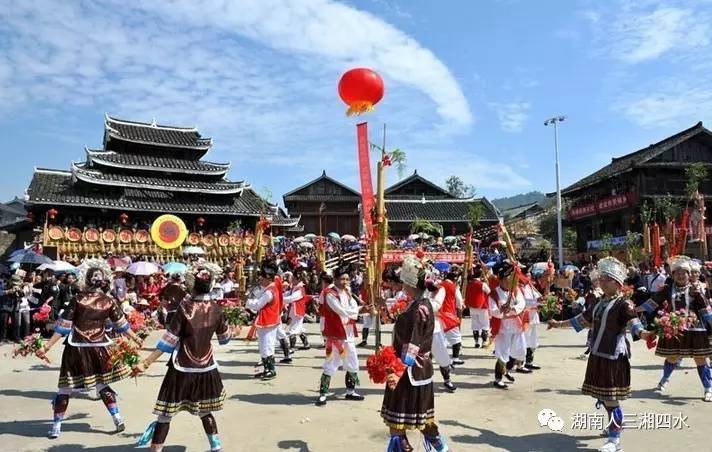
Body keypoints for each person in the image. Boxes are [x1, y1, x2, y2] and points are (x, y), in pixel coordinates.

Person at [548, 257, 651, 452]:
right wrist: (558, 323)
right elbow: (583, 320)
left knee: (611, 398)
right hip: (598, 353)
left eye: (607, 279)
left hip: (613, 355)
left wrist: (644, 334)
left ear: (618, 283)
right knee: (604, 397)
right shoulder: (599, 303)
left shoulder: (624, 304)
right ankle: (615, 427)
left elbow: (633, 323)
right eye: (601, 278)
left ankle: (615, 440)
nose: (602, 281)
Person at [36, 262, 142, 439]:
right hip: (100, 348)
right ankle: (117, 418)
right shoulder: (108, 301)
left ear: (86, 280)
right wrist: (136, 338)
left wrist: (46, 346)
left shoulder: (78, 299)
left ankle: (56, 427)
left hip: (76, 348)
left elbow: (63, 327)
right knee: (101, 384)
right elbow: (122, 325)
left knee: (65, 389)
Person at [134, 265, 231, 452]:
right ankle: (216, 446)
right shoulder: (216, 308)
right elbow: (225, 339)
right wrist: (231, 330)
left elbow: (168, 341)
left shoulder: (185, 308)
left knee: (165, 414)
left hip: (182, 367)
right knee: (204, 410)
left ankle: (156, 449)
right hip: (206, 367)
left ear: (192, 285)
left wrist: (146, 362)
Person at [382, 256, 450, 452]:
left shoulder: (417, 309)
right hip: (421, 372)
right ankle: (442, 449)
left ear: (408, 284)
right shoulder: (423, 304)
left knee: (397, 425)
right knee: (424, 421)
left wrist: (396, 370)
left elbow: (412, 345)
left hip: (408, 372)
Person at [637, 255, 712, 401]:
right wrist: (636, 309)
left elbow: (705, 309)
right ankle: (663, 381)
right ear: (673, 275)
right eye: (677, 273)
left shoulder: (695, 290)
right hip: (674, 327)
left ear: (689, 275)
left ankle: (708, 388)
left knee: (700, 359)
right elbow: (653, 302)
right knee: (672, 357)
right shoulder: (667, 289)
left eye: (684, 272)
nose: (680, 275)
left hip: (695, 329)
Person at [316, 263, 365, 406]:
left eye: (347, 279)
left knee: (352, 361)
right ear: (335, 279)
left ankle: (350, 391)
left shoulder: (348, 291)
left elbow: (352, 306)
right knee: (331, 363)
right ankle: (323, 394)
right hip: (335, 333)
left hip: (348, 332)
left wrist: (360, 308)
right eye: (342, 279)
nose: (345, 282)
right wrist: (361, 311)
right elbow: (341, 310)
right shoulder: (329, 293)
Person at [489, 260, 531, 390]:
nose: (510, 282)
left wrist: (512, 308)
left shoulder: (515, 290)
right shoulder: (494, 294)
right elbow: (492, 310)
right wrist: (501, 311)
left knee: (518, 351)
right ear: (501, 280)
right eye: (507, 279)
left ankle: (506, 371)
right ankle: (498, 379)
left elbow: (522, 303)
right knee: (502, 353)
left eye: (511, 279)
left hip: (516, 325)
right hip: (503, 328)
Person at [245, 262, 283, 380]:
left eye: (262, 278)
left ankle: (271, 370)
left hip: (268, 321)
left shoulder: (269, 291)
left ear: (268, 278)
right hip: (267, 321)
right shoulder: (271, 288)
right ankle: (267, 369)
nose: (261, 280)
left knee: (267, 345)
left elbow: (257, 305)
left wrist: (246, 301)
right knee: (264, 345)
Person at [438, 267, 465, 365]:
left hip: (438, 314)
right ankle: (455, 358)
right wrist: (461, 308)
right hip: (449, 315)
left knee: (440, 337)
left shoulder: (439, 285)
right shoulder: (454, 287)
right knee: (456, 338)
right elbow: (459, 302)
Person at [283, 269, 310, 351]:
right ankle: (306, 344)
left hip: (297, 310)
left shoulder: (300, 289)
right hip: (294, 310)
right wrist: (280, 295)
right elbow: (287, 294)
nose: (292, 280)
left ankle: (291, 348)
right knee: (299, 328)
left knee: (293, 329)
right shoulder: (295, 288)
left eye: (294, 279)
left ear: (298, 280)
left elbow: (291, 298)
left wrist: (280, 299)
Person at [465, 265, 490, 348]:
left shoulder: (469, 283)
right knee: (485, 324)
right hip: (482, 306)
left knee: (475, 324)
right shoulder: (482, 284)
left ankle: (476, 342)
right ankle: (484, 342)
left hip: (472, 306)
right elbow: (489, 291)